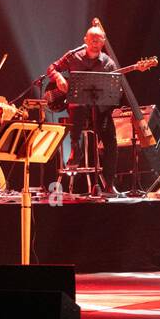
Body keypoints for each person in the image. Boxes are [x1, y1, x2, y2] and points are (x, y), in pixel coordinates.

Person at [46, 21, 121, 197]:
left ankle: (109, 184)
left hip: (99, 110)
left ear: (103, 42)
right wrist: (58, 78)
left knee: (111, 141)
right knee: (77, 103)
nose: (95, 42)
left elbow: (115, 92)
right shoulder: (73, 56)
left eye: (99, 39)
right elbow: (52, 68)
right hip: (77, 109)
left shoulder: (109, 64)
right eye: (92, 38)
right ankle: (75, 147)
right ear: (85, 40)